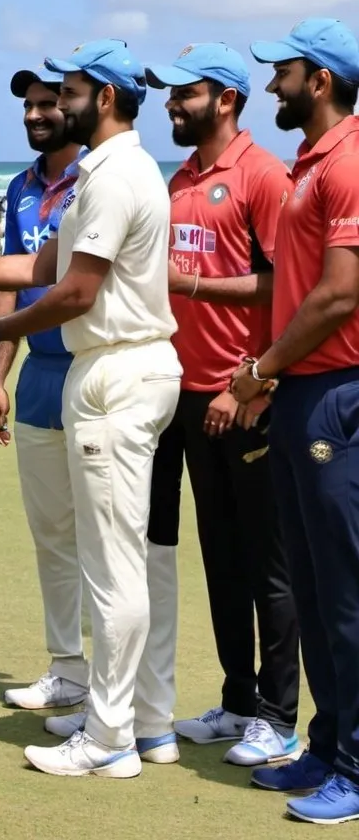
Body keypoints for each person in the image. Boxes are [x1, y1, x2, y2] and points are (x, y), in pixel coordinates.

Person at [0, 39, 182, 777]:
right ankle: (128, 723)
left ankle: (110, 740)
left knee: (114, 568)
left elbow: (73, 293)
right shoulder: (111, 170)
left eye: (68, 90)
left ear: (103, 97)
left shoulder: (115, 173)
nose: (56, 102)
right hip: (114, 371)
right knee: (112, 560)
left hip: (117, 371)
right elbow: (44, 266)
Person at [144, 43, 300, 767]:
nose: (172, 104)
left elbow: (282, 288)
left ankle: (279, 713)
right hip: (185, 393)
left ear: (227, 99)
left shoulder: (264, 176)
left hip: (247, 394)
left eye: (187, 93)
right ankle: (239, 700)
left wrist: (251, 384)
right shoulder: (182, 177)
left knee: (269, 564)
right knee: (222, 559)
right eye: (170, 94)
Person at [229, 18, 359, 825]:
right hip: (300, 392)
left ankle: (355, 765)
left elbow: (342, 294)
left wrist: (264, 368)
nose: (271, 85)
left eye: (283, 72)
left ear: (319, 78)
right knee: (312, 588)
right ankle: (326, 744)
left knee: (345, 592)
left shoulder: (348, 159)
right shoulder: (310, 163)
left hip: (336, 391)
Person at [0, 66, 87, 711]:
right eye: (29, 105)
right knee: (52, 533)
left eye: (49, 103)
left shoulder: (98, 180)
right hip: (35, 377)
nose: (35, 114)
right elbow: (9, 277)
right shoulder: (20, 187)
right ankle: (67, 668)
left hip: (92, 369)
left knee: (103, 539)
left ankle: (109, 685)